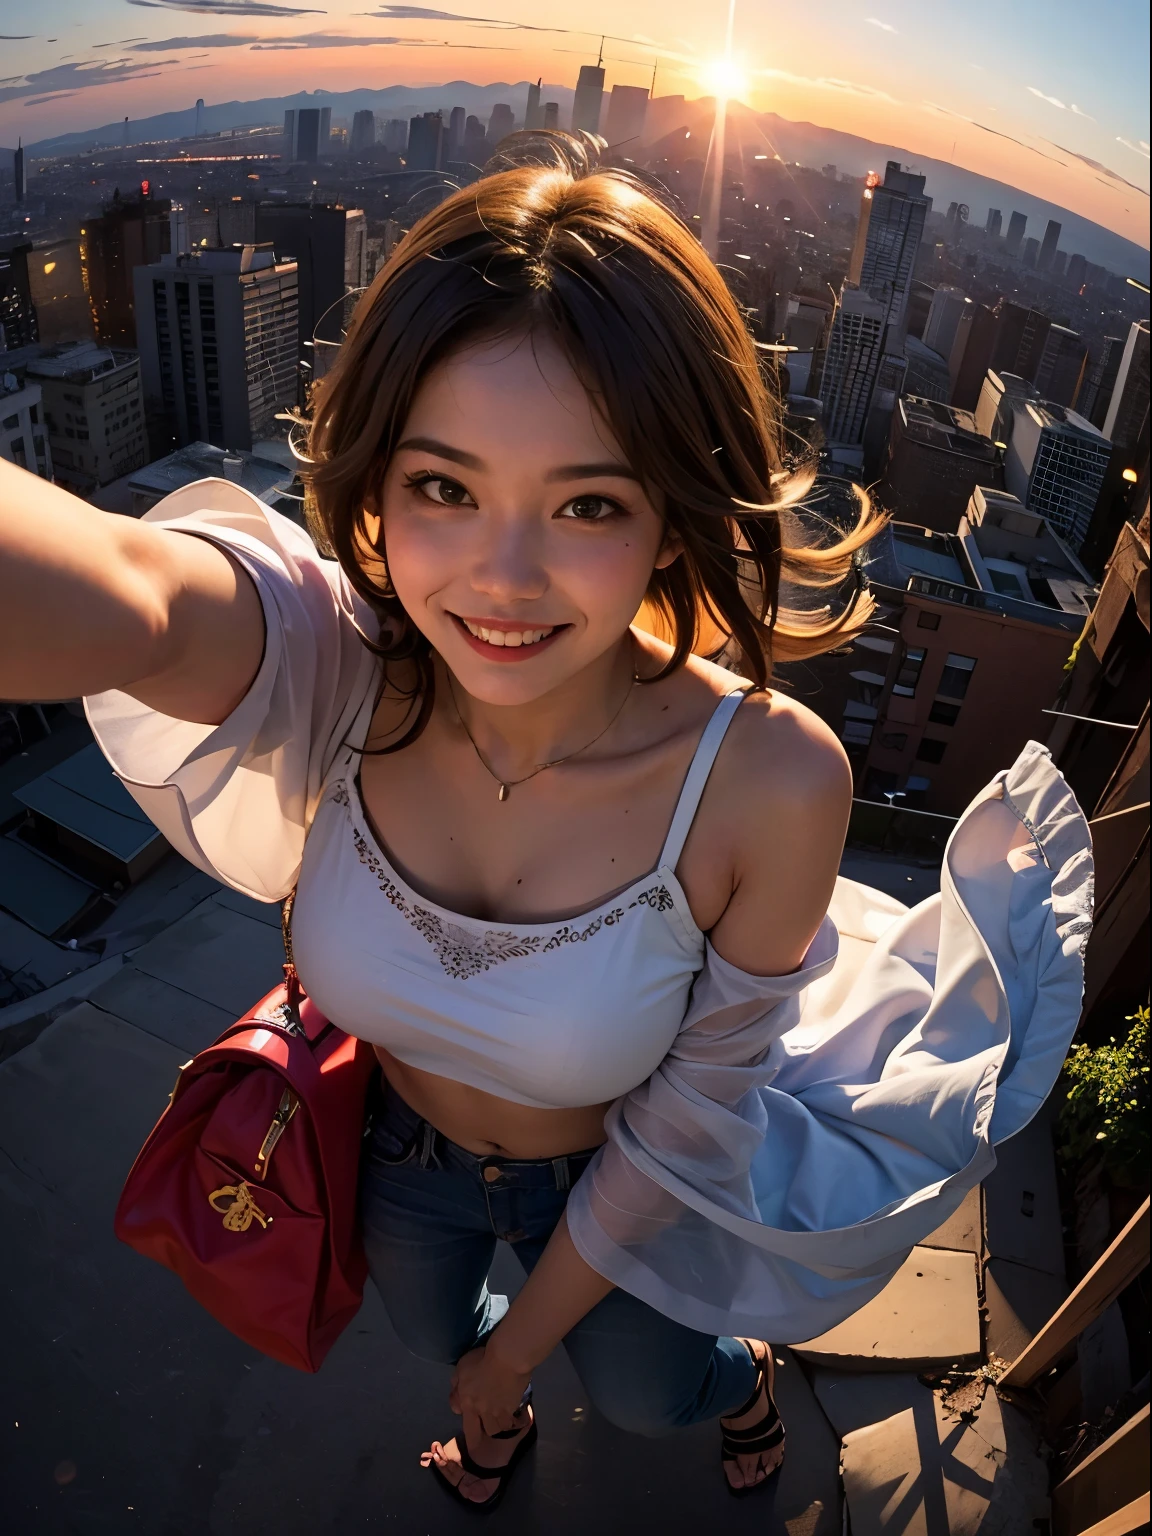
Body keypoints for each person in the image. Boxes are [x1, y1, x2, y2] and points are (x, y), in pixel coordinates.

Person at [0, 135, 1091, 1513]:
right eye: (444, 487)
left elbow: (692, 1123)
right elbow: (128, 592)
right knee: (422, 1335)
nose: (500, 584)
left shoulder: (763, 782)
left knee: (645, 1395)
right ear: (378, 497)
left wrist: (514, 1358)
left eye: (587, 504)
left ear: (670, 522)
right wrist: (483, 1362)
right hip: (398, 1151)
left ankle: (735, 1381)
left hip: (626, 1172)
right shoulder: (339, 666)